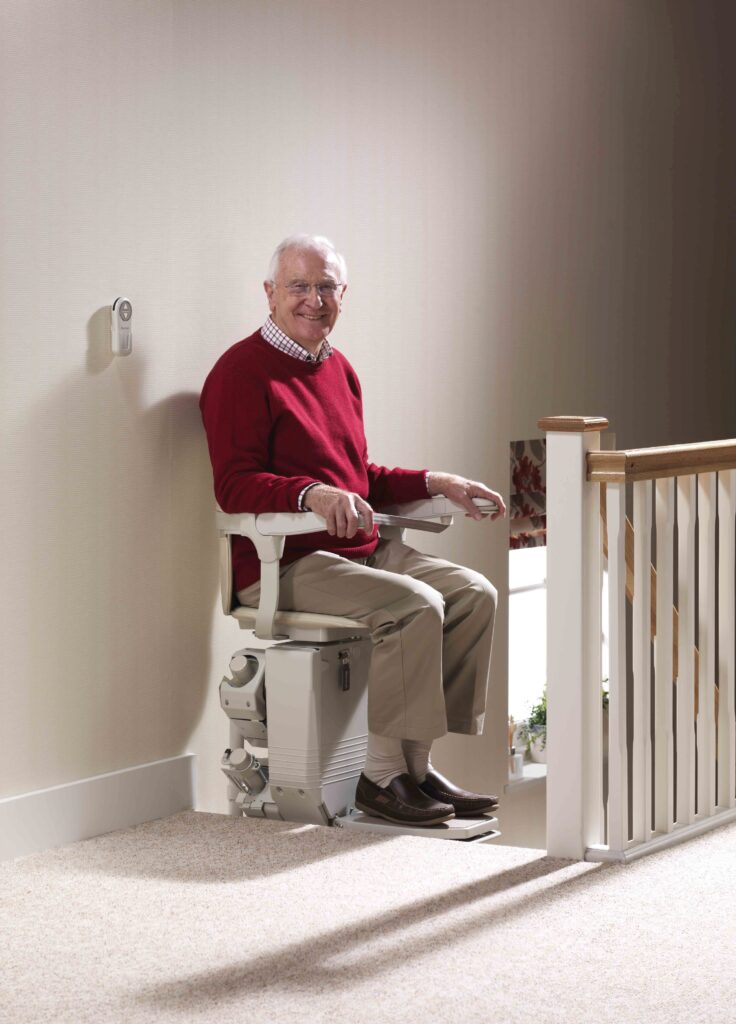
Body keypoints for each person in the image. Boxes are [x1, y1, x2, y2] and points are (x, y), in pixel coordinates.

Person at [200, 234, 507, 826]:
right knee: (417, 605)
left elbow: (357, 477)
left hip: (357, 554)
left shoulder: (339, 370)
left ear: (344, 294)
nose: (313, 300)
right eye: (298, 286)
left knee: (473, 595)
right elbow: (234, 485)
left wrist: (436, 482)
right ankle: (380, 773)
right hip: (281, 565)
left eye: (326, 287)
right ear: (269, 293)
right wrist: (308, 493)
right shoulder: (241, 372)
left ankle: (413, 768)